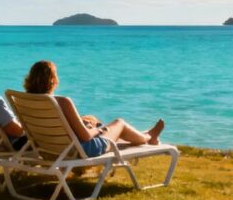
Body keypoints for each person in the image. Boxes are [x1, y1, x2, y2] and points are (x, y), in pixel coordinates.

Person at [22, 60, 165, 157]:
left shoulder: (25, 100)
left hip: (49, 148)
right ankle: (148, 137)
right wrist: (98, 130)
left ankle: (143, 134)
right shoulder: (62, 102)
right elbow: (85, 136)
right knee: (119, 123)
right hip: (80, 150)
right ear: (53, 80)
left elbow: (54, 126)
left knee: (91, 120)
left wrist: (84, 123)